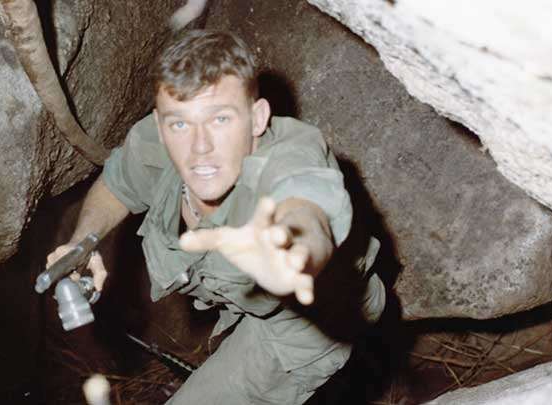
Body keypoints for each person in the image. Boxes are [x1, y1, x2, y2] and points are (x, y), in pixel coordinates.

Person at [46, 29, 385, 404]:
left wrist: (294, 253)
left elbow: (306, 205)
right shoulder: (156, 140)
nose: (200, 147)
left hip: (305, 325)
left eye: (220, 119)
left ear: (257, 118)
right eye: (180, 124)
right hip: (241, 306)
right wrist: (83, 241)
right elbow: (117, 183)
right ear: (161, 125)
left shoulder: (290, 156)